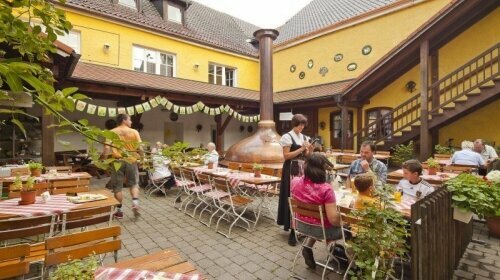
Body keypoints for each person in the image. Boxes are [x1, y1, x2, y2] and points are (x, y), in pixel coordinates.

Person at [291, 153, 340, 269]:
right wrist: (345, 222)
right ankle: (346, 259)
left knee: (317, 219)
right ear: (323, 170)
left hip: (301, 225)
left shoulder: (295, 181)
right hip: (322, 231)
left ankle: (307, 247)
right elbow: (333, 220)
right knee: (349, 227)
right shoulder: (326, 189)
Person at [278, 113, 313, 246]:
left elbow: (308, 155)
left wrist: (309, 149)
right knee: (292, 197)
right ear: (294, 125)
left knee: (301, 198)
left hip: (303, 169)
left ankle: (300, 227)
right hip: (291, 169)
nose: (302, 128)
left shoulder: (304, 137)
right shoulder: (287, 137)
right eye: (300, 125)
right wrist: (302, 149)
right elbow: (286, 156)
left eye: (303, 125)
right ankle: (292, 230)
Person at [103, 113, 142, 219]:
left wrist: (105, 161)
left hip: (117, 161)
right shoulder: (134, 132)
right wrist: (142, 158)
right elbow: (140, 147)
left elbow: (107, 148)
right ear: (124, 120)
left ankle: (119, 211)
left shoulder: (111, 132)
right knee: (134, 184)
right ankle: (135, 203)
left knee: (117, 187)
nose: (131, 122)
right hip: (131, 160)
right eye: (129, 120)